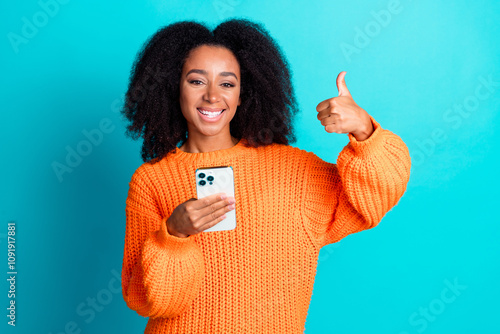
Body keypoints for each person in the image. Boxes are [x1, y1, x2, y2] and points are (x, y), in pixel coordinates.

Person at [120, 18, 411, 333]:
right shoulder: (151, 181)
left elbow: (377, 196)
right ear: (174, 87)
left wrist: (364, 128)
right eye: (196, 81)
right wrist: (174, 235)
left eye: (228, 83)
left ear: (244, 93)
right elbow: (146, 300)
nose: (213, 96)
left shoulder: (294, 172)